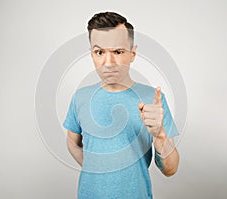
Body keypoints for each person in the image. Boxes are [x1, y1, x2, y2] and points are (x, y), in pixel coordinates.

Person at [63, 11, 179, 199]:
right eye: (99, 52)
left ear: (132, 54)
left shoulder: (153, 99)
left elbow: (171, 169)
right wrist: (95, 169)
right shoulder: (80, 98)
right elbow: (72, 142)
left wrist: (160, 136)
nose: (108, 63)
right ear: (92, 54)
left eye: (118, 52)